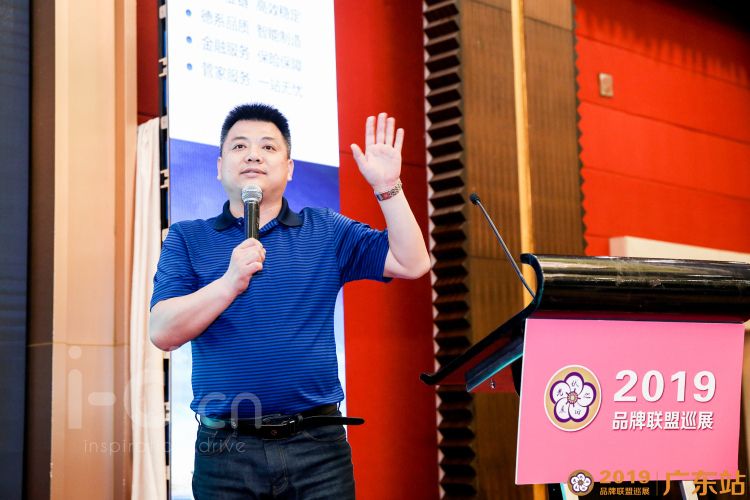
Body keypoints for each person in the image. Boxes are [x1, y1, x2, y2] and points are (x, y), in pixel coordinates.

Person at [149, 103, 430, 499]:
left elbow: (412, 263)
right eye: (239, 146)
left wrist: (388, 187)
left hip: (317, 448)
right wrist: (230, 282)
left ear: (290, 168)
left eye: (268, 147)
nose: (253, 155)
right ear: (219, 166)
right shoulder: (187, 237)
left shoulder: (325, 229)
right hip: (226, 452)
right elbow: (162, 332)